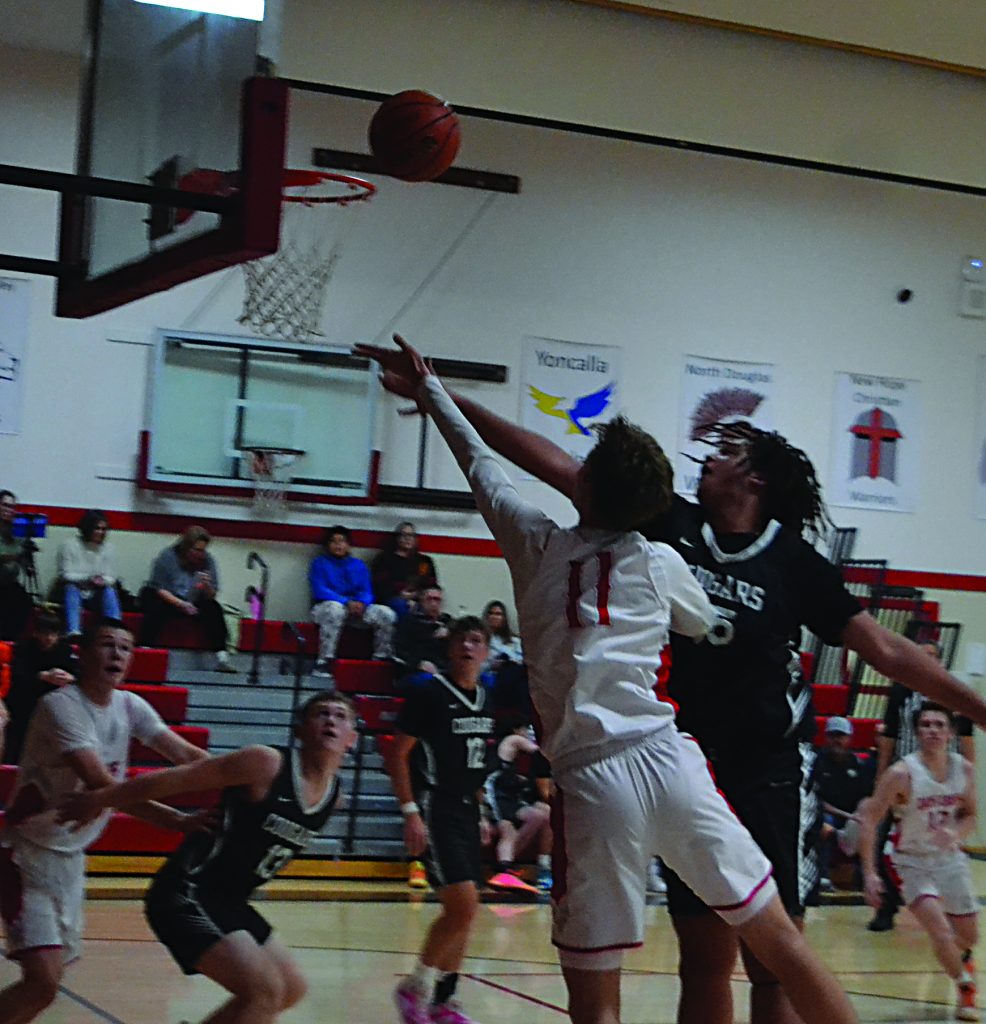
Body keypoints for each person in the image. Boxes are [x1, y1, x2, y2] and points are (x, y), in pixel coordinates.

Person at [419, 378, 986, 1024]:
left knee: (774, 963)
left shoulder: (794, 563)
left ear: (755, 478)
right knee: (704, 961)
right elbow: (557, 466)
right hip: (681, 758)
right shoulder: (666, 527)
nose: (709, 457)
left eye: (726, 451)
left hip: (763, 770)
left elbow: (886, 649)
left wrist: (978, 708)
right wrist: (449, 397)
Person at [358, 334, 863, 1024]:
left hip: (593, 779)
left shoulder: (534, 543)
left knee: (597, 1006)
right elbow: (699, 623)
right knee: (783, 946)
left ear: (586, 485)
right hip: (670, 761)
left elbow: (477, 461)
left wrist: (432, 391)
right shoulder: (661, 561)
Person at [57, 690, 359, 1024]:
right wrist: (101, 798)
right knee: (263, 992)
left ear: (352, 738)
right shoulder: (266, 763)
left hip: (230, 901)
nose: (330, 721)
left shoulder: (334, 796)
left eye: (340, 716)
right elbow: (176, 779)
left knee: (291, 989)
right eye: (321, 713)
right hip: (187, 891)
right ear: (300, 730)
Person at [0, 618, 209, 1024]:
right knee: (43, 982)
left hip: (70, 858)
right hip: (24, 855)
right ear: (82, 653)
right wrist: (177, 821)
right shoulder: (61, 706)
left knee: (46, 983)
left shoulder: (130, 706)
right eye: (107, 644)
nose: (117, 654)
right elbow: (105, 786)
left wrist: (242, 776)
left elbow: (187, 756)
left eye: (125, 648)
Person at [387, 614, 497, 1024]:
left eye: (476, 640)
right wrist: (410, 811)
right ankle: (414, 987)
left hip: (467, 808)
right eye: (461, 640)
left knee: (466, 910)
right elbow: (397, 753)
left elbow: (477, 763)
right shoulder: (428, 693)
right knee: (463, 905)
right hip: (436, 805)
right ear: (449, 648)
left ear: (486, 651)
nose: (467, 647)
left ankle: (444, 1001)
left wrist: (482, 812)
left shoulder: (486, 697)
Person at [858, 701, 979, 1022]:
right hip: (910, 860)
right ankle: (966, 988)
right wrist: (869, 874)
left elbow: (970, 814)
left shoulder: (964, 769)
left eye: (939, 725)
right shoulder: (901, 774)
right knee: (940, 932)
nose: (932, 730)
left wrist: (955, 833)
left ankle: (959, 960)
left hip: (949, 859)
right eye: (926, 725)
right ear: (917, 732)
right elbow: (869, 819)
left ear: (951, 733)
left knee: (968, 937)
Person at [868, 642, 976, 931]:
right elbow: (889, 737)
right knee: (887, 843)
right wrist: (880, 776)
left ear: (940, 662)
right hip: (906, 780)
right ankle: (886, 907)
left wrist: (967, 779)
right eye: (920, 656)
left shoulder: (955, 693)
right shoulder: (901, 691)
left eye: (930, 657)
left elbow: (967, 740)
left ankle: (949, 911)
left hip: (944, 779)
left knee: (945, 847)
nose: (924, 661)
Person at [141, 526, 235, 672]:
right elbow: (158, 588)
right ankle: (144, 650)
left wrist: (207, 586)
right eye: (196, 550)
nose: (200, 554)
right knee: (153, 602)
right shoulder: (167, 557)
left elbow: (211, 595)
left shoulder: (208, 561)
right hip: (170, 598)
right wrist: (180, 604)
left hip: (194, 599)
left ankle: (221, 658)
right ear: (186, 548)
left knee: (214, 608)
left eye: (203, 550)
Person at [309, 525, 396, 676]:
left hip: (357, 609)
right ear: (327, 545)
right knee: (335, 609)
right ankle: (324, 662)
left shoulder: (359, 565)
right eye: (333, 541)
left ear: (349, 545)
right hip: (326, 608)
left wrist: (362, 603)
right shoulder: (319, 563)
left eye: (342, 541)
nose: (338, 545)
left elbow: (367, 591)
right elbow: (320, 590)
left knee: (386, 613)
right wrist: (346, 602)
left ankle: (380, 659)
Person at [485, 712, 552, 893]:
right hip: (494, 793)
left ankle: (508, 865)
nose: (529, 732)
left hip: (507, 795)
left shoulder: (508, 752)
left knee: (540, 815)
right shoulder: (512, 739)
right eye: (526, 729)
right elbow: (539, 751)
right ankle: (504, 870)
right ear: (516, 729)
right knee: (507, 830)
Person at [5, 610, 77, 764]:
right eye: (45, 633)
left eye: (53, 634)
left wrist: (70, 678)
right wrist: (42, 676)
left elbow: (80, 676)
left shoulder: (65, 650)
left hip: (57, 703)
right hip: (26, 701)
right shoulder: (24, 648)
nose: (49, 638)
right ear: (36, 633)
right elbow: (16, 677)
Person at [811, 716, 873, 892]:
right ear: (826, 737)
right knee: (824, 822)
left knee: (871, 824)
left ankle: (863, 877)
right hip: (826, 814)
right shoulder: (816, 763)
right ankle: (823, 877)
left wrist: (859, 817)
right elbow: (815, 800)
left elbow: (866, 797)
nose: (837, 740)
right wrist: (847, 816)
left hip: (852, 817)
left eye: (841, 736)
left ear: (849, 738)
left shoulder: (859, 765)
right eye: (833, 735)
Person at [54, 509, 121, 638]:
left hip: (97, 592)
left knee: (109, 591)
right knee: (71, 588)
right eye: (97, 528)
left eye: (104, 529)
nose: (101, 532)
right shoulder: (69, 545)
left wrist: (101, 581)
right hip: (73, 590)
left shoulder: (109, 548)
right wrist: (89, 578)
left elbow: (111, 577)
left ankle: (115, 630)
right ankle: (74, 632)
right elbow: (65, 575)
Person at [372, 521, 439, 618]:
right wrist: (401, 595)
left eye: (411, 535)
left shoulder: (424, 561)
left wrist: (417, 595)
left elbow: (431, 584)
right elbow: (380, 585)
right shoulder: (384, 559)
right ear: (397, 538)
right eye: (404, 535)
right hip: (393, 599)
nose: (408, 539)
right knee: (403, 607)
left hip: (420, 599)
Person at [395, 584, 451, 678]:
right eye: (429, 599)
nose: (433, 604)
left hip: (445, 669)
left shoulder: (449, 623)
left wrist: (451, 635)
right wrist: (418, 663)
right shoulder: (409, 622)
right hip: (417, 669)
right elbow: (401, 651)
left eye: (437, 600)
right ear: (421, 601)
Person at [0, 489, 33, 641]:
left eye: (12, 507)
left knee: (24, 600)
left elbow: (23, 557)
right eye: (5, 505)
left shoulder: (17, 533)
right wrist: (14, 556)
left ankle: (12, 640)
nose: (9, 510)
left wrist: (28, 557)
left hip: (9, 583)